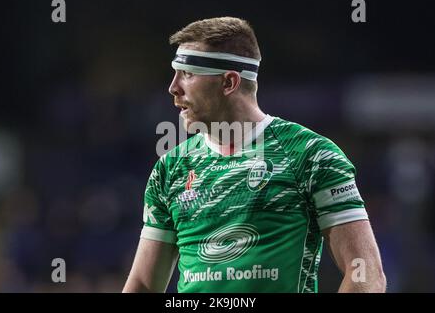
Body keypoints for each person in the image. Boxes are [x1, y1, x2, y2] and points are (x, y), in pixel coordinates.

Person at [123, 17, 386, 293]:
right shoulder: (170, 169)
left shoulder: (310, 155)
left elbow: (366, 274)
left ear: (229, 82)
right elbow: (142, 284)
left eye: (187, 74)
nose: (173, 87)